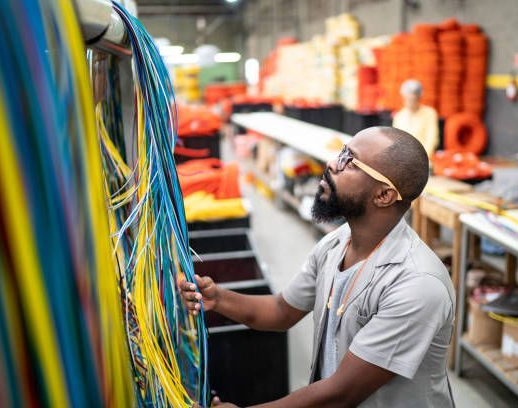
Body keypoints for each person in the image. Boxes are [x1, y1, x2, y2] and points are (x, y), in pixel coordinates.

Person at [180, 127, 455, 407]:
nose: (332, 164)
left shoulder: (417, 284)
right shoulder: (336, 244)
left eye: (350, 161)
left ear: (383, 195)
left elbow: (342, 393)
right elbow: (281, 311)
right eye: (341, 153)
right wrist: (218, 299)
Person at [392, 79, 439, 158]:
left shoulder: (429, 113)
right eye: (408, 99)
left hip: (424, 159)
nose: (411, 102)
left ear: (419, 97)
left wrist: (422, 158)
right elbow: (395, 142)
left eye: (413, 99)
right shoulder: (399, 117)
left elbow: (432, 140)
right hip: (404, 161)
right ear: (403, 97)